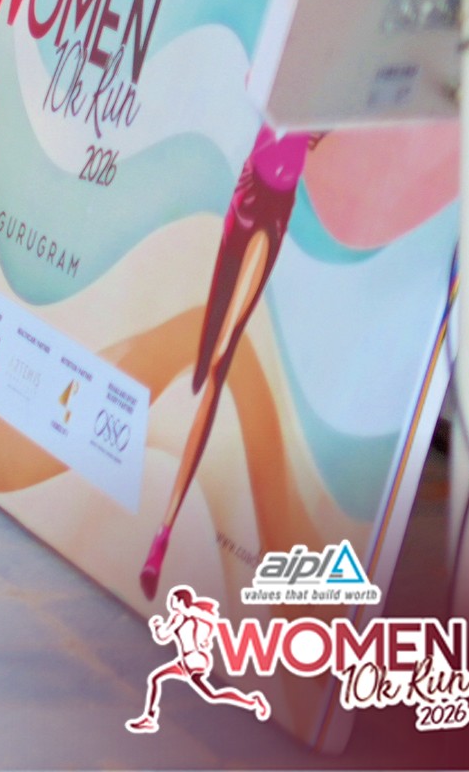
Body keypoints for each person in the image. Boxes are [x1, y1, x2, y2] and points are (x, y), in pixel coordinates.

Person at [139, 127, 317, 598]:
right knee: (205, 356)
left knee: (220, 362)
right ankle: (161, 522)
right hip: (248, 192)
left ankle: (163, 534)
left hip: (276, 209)